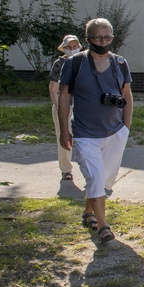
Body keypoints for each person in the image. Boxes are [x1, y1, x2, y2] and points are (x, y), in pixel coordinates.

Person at [58, 18, 133, 245]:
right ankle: (103, 227)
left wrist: (125, 128)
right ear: (88, 39)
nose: (103, 41)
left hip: (115, 131)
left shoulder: (120, 62)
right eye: (98, 38)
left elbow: (127, 95)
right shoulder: (75, 63)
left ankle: (88, 212)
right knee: (95, 176)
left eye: (107, 37)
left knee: (104, 180)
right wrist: (64, 130)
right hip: (84, 133)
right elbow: (63, 97)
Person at [49, 34, 82, 181]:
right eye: (69, 47)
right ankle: (66, 169)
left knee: (86, 137)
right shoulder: (59, 63)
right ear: (64, 48)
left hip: (82, 105)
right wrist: (59, 107)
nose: (72, 49)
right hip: (65, 105)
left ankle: (90, 168)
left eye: (74, 46)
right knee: (64, 136)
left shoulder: (84, 61)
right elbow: (53, 88)